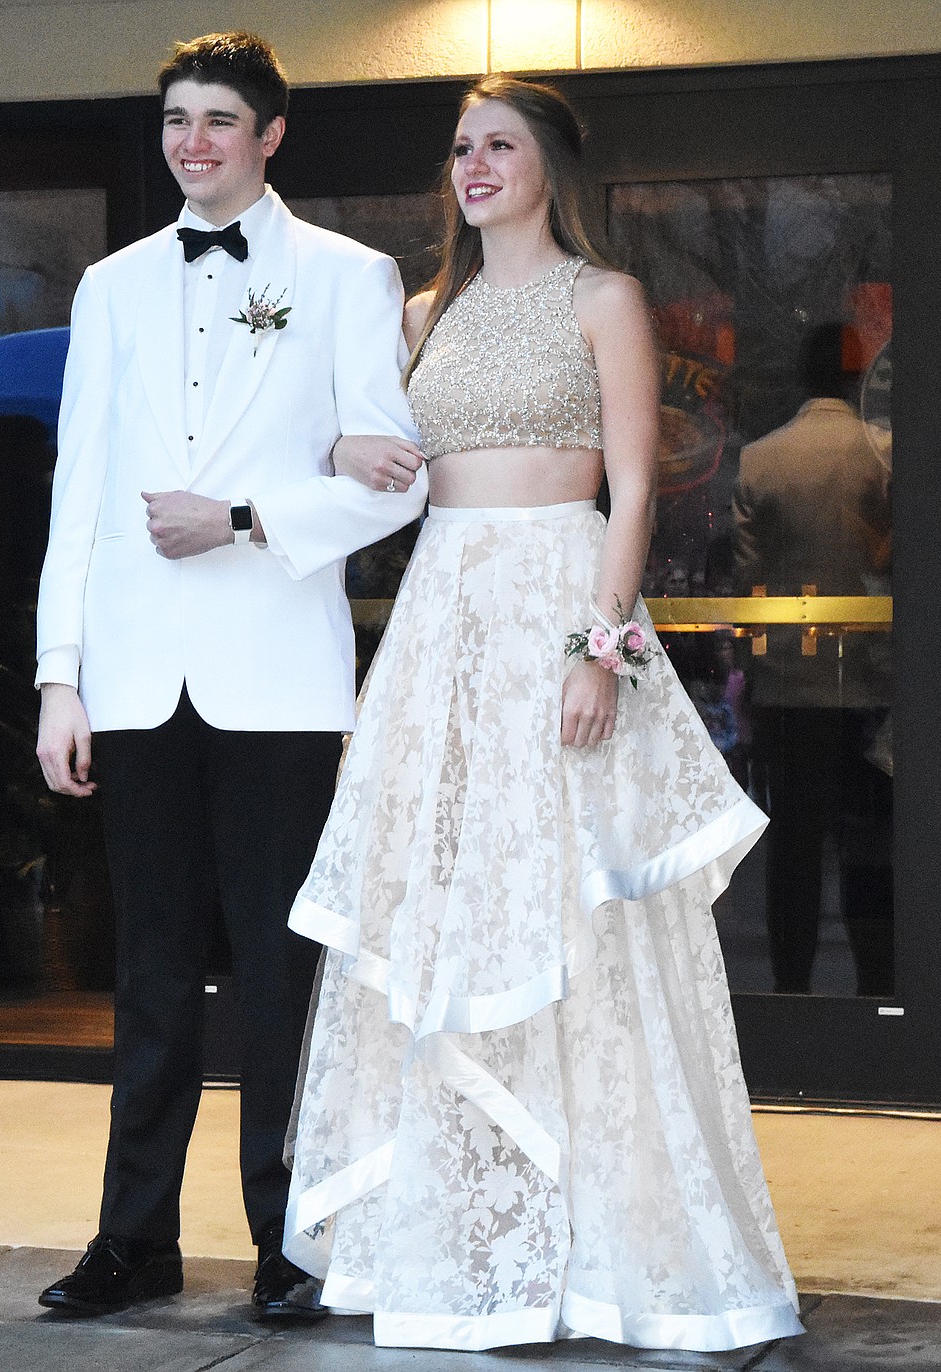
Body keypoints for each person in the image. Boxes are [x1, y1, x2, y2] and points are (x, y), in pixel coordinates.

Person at [281, 75, 803, 1353]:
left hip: (555, 608)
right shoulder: (424, 310)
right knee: (450, 903)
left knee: (580, 917)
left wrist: (598, 647)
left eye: (498, 144)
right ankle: (466, 1248)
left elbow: (634, 493)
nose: (472, 164)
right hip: (439, 627)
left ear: (550, 166)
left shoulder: (605, 299)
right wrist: (342, 457)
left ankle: (610, 1254)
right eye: (461, 147)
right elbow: (376, 463)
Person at [32, 31, 427, 1317]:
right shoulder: (110, 286)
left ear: (272, 135)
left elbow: (394, 480)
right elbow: (78, 492)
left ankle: (290, 1243)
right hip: (135, 683)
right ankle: (133, 1237)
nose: (191, 143)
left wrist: (246, 517)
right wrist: (59, 676)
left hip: (280, 687)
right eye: (176, 122)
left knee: (279, 973)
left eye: (217, 121)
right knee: (147, 971)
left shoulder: (349, 277)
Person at [733, 322, 893, 996]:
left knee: (793, 852)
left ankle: (791, 989)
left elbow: (746, 585)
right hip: (870, 681)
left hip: (788, 684)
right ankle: (880, 988)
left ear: (802, 377)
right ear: (858, 378)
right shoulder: (880, 455)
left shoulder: (760, 460)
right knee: (870, 850)